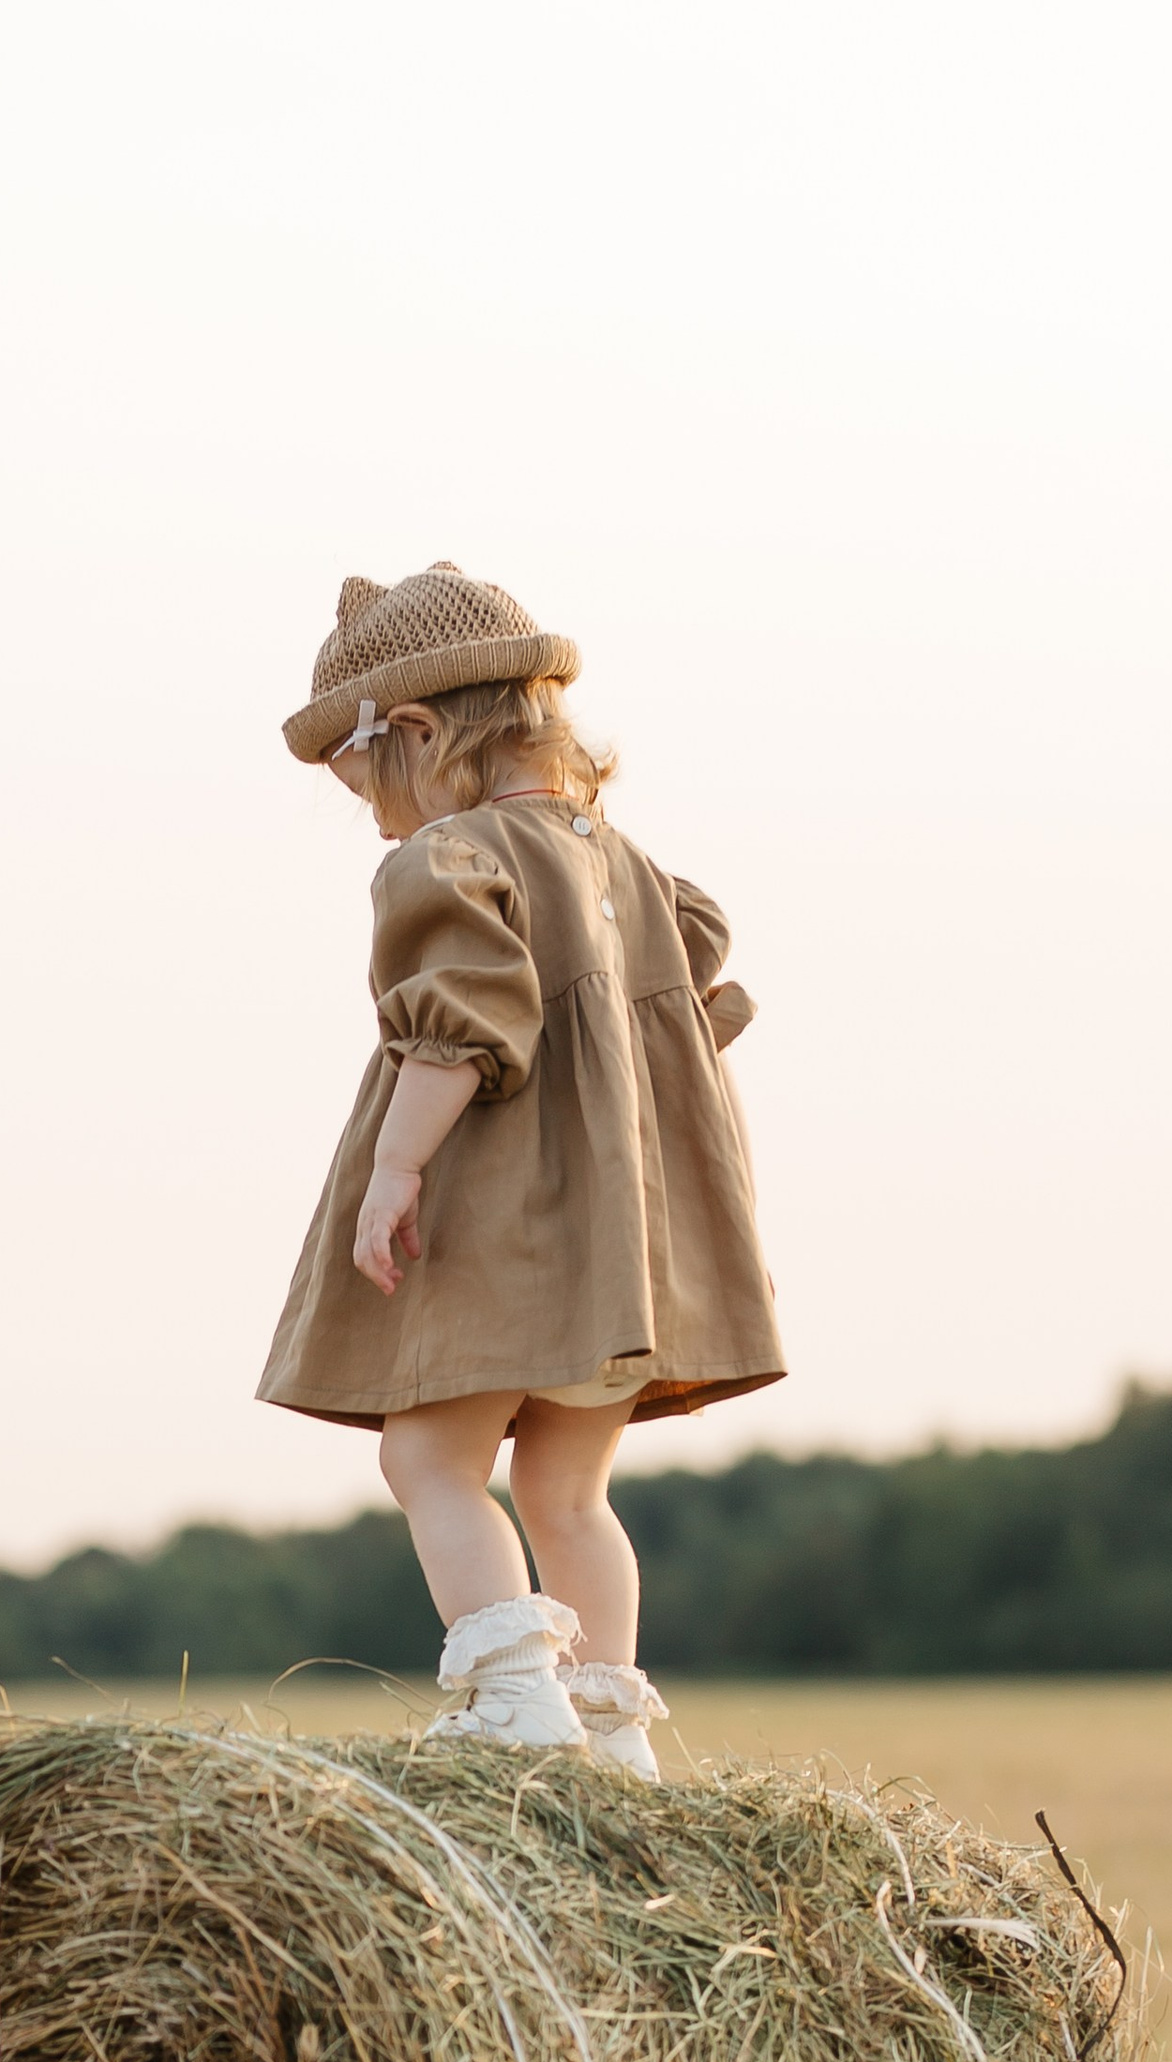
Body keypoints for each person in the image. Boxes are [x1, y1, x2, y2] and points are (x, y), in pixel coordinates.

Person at [258, 562, 784, 1778]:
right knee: (566, 1488)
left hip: (502, 1224)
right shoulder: (630, 869)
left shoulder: (451, 858)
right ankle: (609, 1730)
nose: (380, 823)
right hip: (620, 1246)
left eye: (370, 787)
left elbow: (462, 1027)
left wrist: (395, 1168)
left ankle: (512, 1695)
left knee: (428, 1457)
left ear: (427, 735)